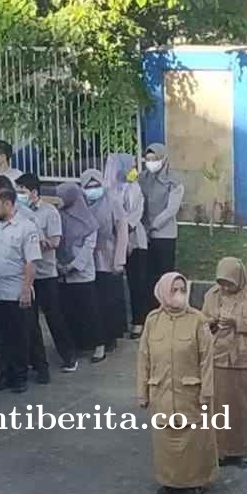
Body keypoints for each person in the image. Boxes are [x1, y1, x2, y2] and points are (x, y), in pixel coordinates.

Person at [137, 272, 217, 494]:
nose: (179, 294)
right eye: (174, 290)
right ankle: (169, 481)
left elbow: (206, 359)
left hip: (189, 393)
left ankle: (195, 482)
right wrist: (142, 393)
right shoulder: (153, 320)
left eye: (182, 290)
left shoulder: (197, 320)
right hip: (161, 391)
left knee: (193, 441)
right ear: (163, 292)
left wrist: (206, 392)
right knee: (165, 442)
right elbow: (144, 357)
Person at [202, 257, 247, 468]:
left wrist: (236, 322)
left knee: (246, 405)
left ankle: (244, 450)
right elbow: (202, 322)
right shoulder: (212, 295)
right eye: (221, 282)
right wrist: (212, 321)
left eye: (229, 283)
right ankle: (221, 449)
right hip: (220, 357)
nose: (225, 287)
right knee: (220, 405)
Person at [0, 182, 40, 393]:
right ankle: (5, 374)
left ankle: (20, 376)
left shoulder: (26, 227)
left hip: (15, 290)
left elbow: (31, 262)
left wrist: (26, 289)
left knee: (18, 336)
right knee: (0, 336)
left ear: (7, 204)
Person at [18, 173, 77, 380]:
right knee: (30, 321)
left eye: (22, 191)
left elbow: (55, 242)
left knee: (54, 317)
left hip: (46, 273)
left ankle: (69, 355)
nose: (19, 195)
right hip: (27, 275)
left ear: (33, 192)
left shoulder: (49, 212)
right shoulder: (18, 213)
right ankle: (37, 363)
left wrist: (37, 240)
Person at [56, 182, 103, 364]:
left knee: (89, 310)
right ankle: (76, 344)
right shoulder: (58, 215)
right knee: (69, 311)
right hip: (62, 273)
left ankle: (99, 345)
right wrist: (59, 265)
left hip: (82, 273)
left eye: (62, 196)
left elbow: (89, 246)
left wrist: (73, 265)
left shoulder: (88, 220)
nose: (60, 200)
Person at [84, 167, 129, 354]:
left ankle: (110, 337)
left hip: (109, 257)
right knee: (93, 302)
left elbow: (122, 231)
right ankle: (96, 338)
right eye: (88, 186)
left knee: (109, 300)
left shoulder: (112, 202)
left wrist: (119, 260)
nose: (92, 190)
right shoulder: (81, 204)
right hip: (87, 260)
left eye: (96, 185)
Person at [137, 143, 183, 327]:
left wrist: (153, 225)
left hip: (165, 235)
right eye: (148, 159)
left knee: (164, 277)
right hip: (145, 235)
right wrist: (142, 226)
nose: (151, 163)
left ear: (163, 159)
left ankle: (167, 314)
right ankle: (150, 316)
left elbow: (171, 209)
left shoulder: (174, 182)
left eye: (155, 159)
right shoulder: (142, 179)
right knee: (148, 278)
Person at [104, 153, 146, 339]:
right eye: (131, 166)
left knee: (137, 282)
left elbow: (137, 212)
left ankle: (139, 322)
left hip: (135, 239)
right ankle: (117, 323)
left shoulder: (134, 187)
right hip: (113, 240)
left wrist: (125, 229)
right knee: (114, 282)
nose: (134, 170)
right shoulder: (109, 190)